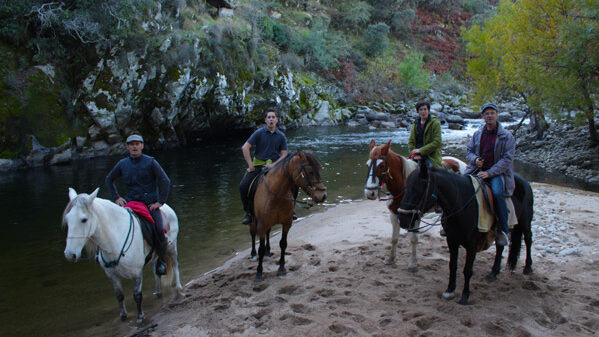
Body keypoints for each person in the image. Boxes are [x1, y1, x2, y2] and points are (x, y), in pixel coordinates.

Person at [105, 134, 171, 275]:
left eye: (137, 144)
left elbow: (165, 180)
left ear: (142, 145)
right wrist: (116, 197)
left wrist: (160, 202)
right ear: (127, 147)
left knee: (159, 230)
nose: (134, 146)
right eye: (131, 144)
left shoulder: (151, 162)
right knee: (111, 225)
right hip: (130, 204)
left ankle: (161, 261)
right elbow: (109, 179)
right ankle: (106, 256)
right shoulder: (122, 164)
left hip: (149, 205)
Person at [464, 103, 515, 246]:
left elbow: (507, 159)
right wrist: (475, 160)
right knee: (458, 186)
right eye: (486, 114)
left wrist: (489, 172)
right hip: (477, 170)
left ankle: (503, 230)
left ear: (497, 115)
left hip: (497, 173)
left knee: (498, 193)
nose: (489, 116)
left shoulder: (506, 136)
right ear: (482, 117)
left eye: (492, 113)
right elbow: (469, 151)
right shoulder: (478, 134)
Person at [239, 110, 295, 225]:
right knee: (243, 186)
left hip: (275, 166)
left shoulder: (281, 136)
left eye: (273, 117)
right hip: (259, 165)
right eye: (268, 117)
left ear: (277, 120)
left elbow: (284, 154)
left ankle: (292, 210)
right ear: (265, 120)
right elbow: (245, 147)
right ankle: (249, 213)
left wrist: (274, 165)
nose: (271, 119)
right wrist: (250, 165)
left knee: (294, 183)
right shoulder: (259, 133)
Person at [408, 101, 443, 168]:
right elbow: (411, 141)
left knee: (431, 173)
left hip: (431, 155)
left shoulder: (435, 123)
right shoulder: (415, 124)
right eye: (421, 110)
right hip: (416, 155)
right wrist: (414, 152)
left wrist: (421, 151)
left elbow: (437, 142)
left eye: (425, 109)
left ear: (428, 111)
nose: (423, 112)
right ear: (418, 112)